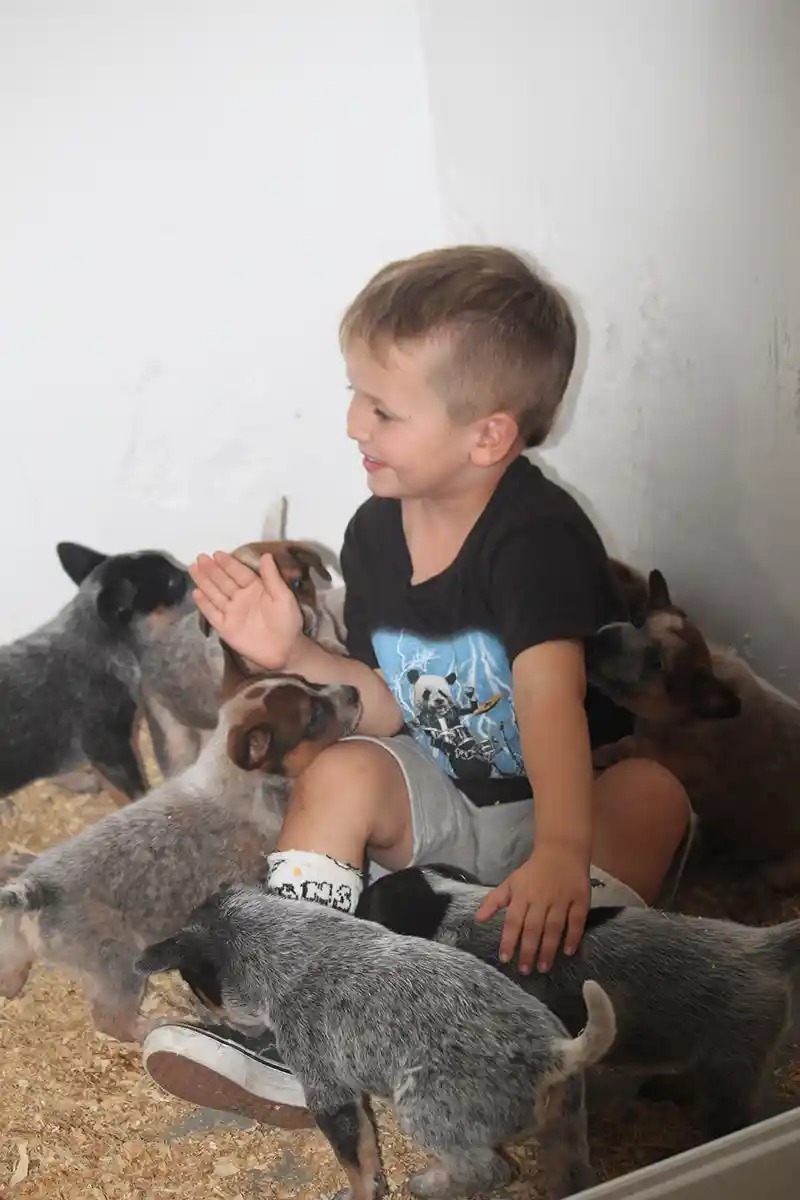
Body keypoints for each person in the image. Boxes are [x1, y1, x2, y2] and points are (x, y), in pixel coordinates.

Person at [142, 245, 692, 1122]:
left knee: (657, 793)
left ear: (488, 435)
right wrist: (296, 654)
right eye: (353, 395)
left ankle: (534, 1014)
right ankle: (297, 1030)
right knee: (341, 769)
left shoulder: (535, 540)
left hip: (562, 806)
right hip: (446, 796)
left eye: (383, 409)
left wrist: (557, 850)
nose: (355, 425)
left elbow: (549, 701)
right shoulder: (372, 533)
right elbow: (394, 698)